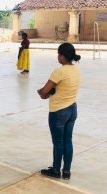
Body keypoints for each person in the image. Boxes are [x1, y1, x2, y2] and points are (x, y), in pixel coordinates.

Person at [37, 43, 81, 180]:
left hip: (59, 111)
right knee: (68, 140)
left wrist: (41, 92)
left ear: (63, 56)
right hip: (72, 109)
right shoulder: (76, 69)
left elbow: (44, 91)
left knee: (58, 141)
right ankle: (66, 171)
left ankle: (56, 170)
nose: (58, 57)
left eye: (59, 54)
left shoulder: (59, 71)